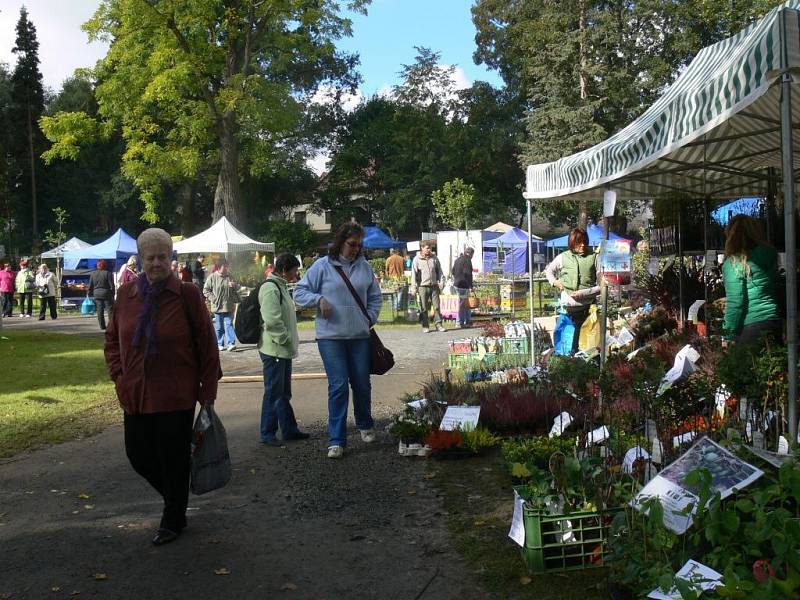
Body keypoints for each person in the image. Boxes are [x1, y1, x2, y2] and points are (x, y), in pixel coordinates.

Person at [104, 228, 221, 547]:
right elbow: (112, 340)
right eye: (150, 257)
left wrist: (207, 389)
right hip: (136, 393)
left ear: (171, 257)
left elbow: (206, 344)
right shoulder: (126, 296)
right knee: (138, 455)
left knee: (173, 458)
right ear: (140, 259)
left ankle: (172, 517)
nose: (156, 263)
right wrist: (120, 377)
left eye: (162, 257)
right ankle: (177, 501)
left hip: (175, 393)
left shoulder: (187, 294)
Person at [294, 222, 382, 459]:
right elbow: (299, 292)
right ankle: (336, 439)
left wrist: (369, 318)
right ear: (340, 242)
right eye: (352, 244)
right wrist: (318, 299)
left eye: (359, 245)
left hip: (359, 337)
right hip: (330, 337)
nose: (355, 249)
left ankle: (364, 423)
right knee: (339, 386)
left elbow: (375, 297)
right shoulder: (322, 266)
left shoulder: (364, 268)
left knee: (362, 384)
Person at [258, 253, 309, 445]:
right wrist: (286, 340)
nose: (296, 274)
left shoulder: (279, 286)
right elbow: (272, 321)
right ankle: (268, 433)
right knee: (273, 392)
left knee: (282, 393)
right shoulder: (272, 289)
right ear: (285, 270)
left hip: (281, 350)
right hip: (275, 350)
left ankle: (288, 429)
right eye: (295, 270)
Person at [722, 215, 781, 346]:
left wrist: (727, 335)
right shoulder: (769, 253)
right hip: (773, 321)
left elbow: (736, 303)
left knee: (748, 366)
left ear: (730, 236)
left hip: (751, 326)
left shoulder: (733, 263)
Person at [545, 228, 600, 354]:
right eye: (579, 242)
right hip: (567, 311)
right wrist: (555, 282)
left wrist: (584, 293)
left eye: (584, 242)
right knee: (565, 344)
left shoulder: (594, 257)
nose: (583, 245)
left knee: (586, 346)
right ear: (572, 242)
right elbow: (549, 271)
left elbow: (602, 285)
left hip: (587, 311)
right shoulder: (562, 257)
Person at [203, 258, 240, 351]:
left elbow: (239, 287)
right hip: (218, 306)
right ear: (219, 267)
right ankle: (220, 343)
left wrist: (234, 285)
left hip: (229, 305)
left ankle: (231, 343)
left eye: (227, 266)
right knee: (219, 327)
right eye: (225, 266)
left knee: (229, 324)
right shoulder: (212, 277)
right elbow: (205, 290)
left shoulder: (230, 276)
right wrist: (213, 299)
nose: (227, 267)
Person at [410, 242, 446, 333]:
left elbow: (440, 271)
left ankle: (438, 324)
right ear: (422, 248)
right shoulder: (416, 259)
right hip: (422, 286)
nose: (429, 249)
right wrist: (413, 288)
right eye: (427, 248)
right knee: (424, 308)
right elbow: (413, 275)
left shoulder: (434, 258)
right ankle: (425, 326)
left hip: (434, 286)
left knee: (437, 306)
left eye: (430, 248)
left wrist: (442, 283)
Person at [89, 259, 116, 330]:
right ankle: (111, 326)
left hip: (97, 293)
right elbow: (112, 286)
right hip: (106, 293)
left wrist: (89, 293)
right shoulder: (108, 273)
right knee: (110, 310)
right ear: (105, 265)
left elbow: (90, 285)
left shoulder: (93, 274)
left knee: (99, 310)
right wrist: (113, 294)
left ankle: (102, 326)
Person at [452, 247, 475, 328]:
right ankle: (461, 322)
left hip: (456, 284)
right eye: (472, 254)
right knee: (464, 304)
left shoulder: (457, 260)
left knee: (462, 303)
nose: (472, 256)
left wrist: (457, 278)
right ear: (470, 253)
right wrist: (470, 286)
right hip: (463, 285)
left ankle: (465, 321)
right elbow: (468, 274)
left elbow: (453, 271)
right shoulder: (467, 260)